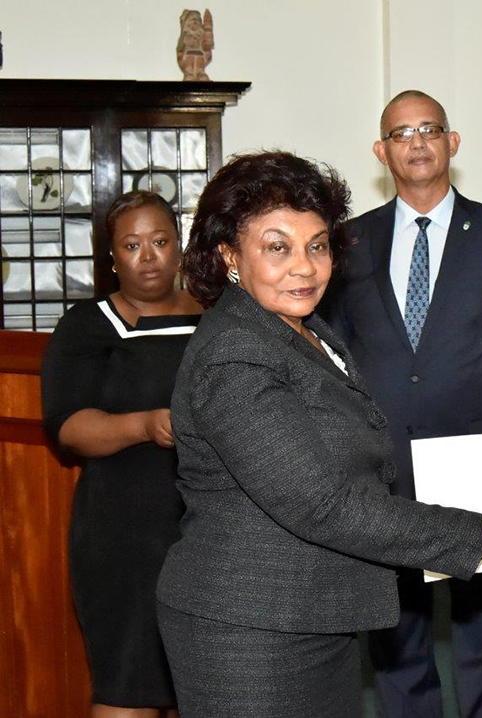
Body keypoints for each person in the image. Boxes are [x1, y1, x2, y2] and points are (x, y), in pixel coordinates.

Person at [155, 151, 482, 716]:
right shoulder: (235, 354)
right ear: (229, 256)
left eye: (317, 245)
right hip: (250, 630)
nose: (304, 267)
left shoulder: (306, 330)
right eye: (277, 246)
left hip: (312, 616)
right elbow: (325, 505)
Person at [320, 90, 482, 718]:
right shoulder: (348, 243)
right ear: (381, 151)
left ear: (453, 142)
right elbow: (336, 347)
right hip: (382, 463)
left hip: (478, 461)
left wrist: (471, 410)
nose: (417, 142)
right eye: (401, 133)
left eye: (430, 129)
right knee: (396, 629)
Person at [41, 190, 202, 717]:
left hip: (209, 532)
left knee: (204, 689)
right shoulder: (88, 324)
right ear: (112, 257)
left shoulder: (219, 320)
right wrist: (146, 425)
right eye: (132, 245)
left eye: (160, 241)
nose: (148, 256)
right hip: (122, 535)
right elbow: (68, 428)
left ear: (180, 247)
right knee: (126, 687)